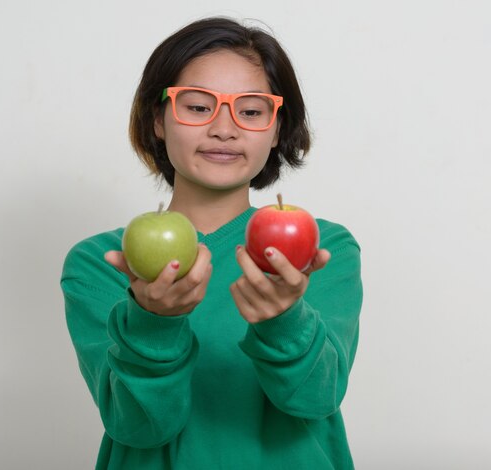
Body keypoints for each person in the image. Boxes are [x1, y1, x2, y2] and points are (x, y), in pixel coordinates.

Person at [61, 16, 363, 470]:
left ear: (277, 129)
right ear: (157, 120)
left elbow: (314, 399)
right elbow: (140, 426)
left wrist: (285, 318)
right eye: (199, 107)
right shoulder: (105, 264)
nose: (225, 129)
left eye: (252, 110)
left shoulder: (321, 252)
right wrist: (152, 322)